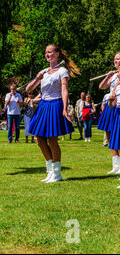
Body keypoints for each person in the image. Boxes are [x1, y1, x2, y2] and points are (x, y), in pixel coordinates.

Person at [26, 44, 79, 183]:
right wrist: (37, 78)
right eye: (46, 52)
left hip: (55, 104)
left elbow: (64, 90)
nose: (47, 54)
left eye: (50, 52)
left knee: (52, 139)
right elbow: (28, 89)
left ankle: (56, 173)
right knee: (39, 138)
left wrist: (64, 108)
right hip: (43, 106)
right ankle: (50, 170)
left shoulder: (62, 71)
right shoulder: (43, 71)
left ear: (57, 54)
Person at [98, 52, 120, 175]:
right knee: (109, 134)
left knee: (118, 135)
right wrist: (108, 76)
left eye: (118, 59)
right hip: (110, 106)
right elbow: (101, 87)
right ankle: (115, 164)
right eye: (114, 59)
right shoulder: (114, 75)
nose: (115, 61)